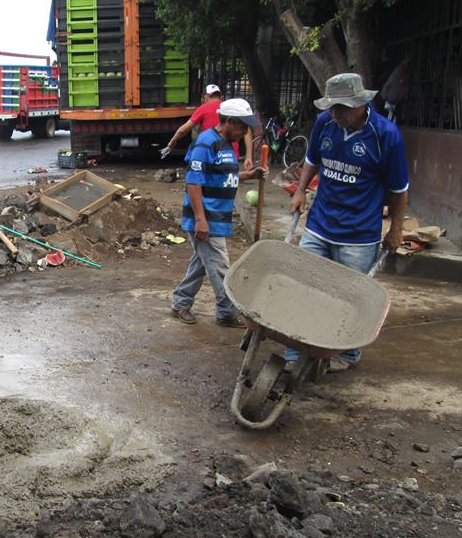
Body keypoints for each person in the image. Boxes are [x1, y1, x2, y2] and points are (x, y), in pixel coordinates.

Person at [287, 72, 409, 372]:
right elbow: (313, 159)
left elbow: (398, 190)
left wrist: (396, 228)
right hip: (320, 223)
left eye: (340, 107)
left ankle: (347, 353)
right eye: (331, 107)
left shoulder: (386, 136)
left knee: (349, 298)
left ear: (359, 104)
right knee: (304, 286)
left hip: (358, 233)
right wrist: (301, 190)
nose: (335, 113)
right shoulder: (325, 124)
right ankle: (295, 349)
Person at [171, 99, 267, 327]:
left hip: (218, 217)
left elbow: (224, 176)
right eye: (242, 127)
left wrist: (251, 175)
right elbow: (194, 182)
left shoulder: (227, 145)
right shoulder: (206, 143)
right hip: (206, 218)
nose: (245, 132)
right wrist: (201, 220)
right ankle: (227, 312)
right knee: (221, 267)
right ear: (230, 122)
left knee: (202, 264)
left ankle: (180, 303)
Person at [162, 84, 253, 166]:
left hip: (211, 155)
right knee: (229, 180)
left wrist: (172, 143)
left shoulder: (203, 108)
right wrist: (249, 157)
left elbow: (183, 130)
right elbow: (247, 133)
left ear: (206, 96)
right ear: (220, 96)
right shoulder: (230, 109)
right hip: (231, 155)